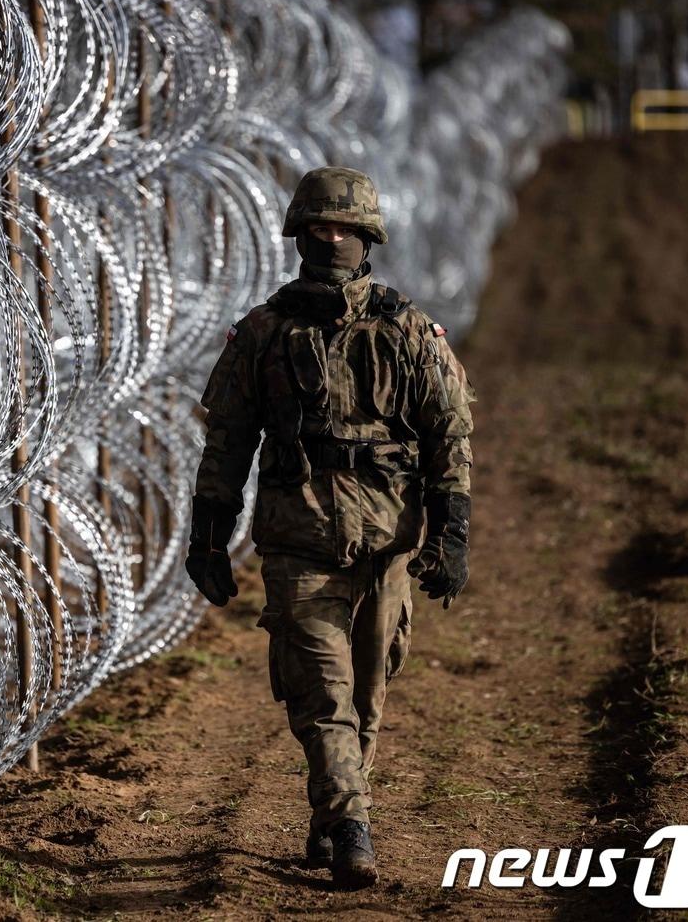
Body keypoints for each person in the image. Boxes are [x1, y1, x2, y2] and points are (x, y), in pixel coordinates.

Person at [185, 166, 476, 889]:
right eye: (319, 226)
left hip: (387, 544)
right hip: (296, 538)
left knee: (369, 696)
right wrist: (208, 535)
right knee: (322, 696)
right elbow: (227, 441)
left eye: (346, 228)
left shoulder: (407, 330)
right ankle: (351, 823)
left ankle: (334, 813)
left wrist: (453, 530)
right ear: (299, 234)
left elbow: (449, 434)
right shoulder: (262, 333)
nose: (332, 238)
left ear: (368, 236)